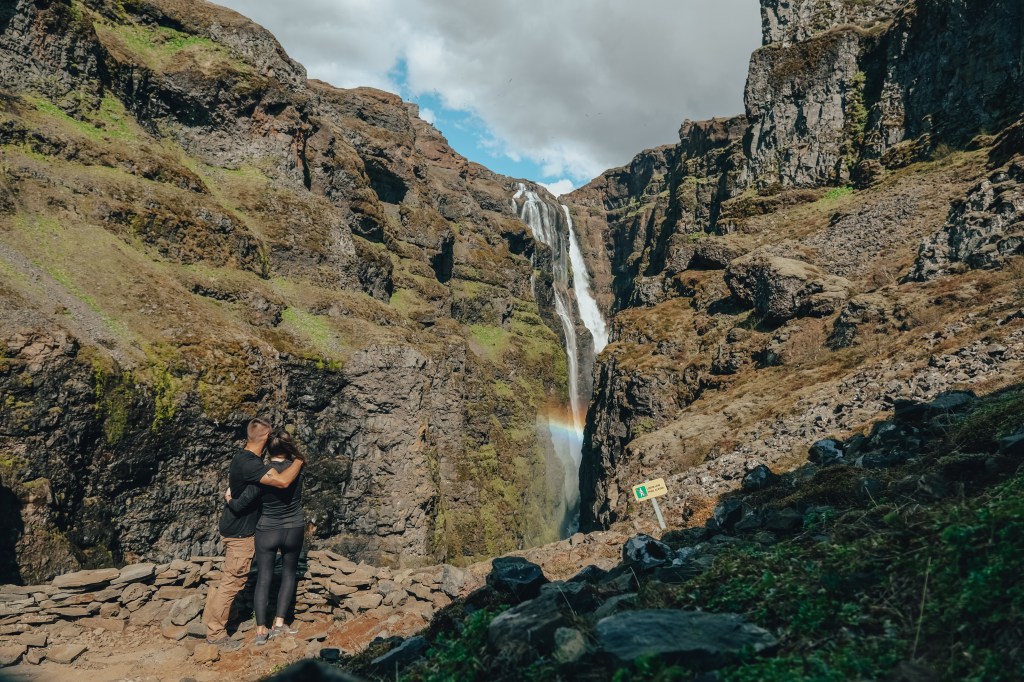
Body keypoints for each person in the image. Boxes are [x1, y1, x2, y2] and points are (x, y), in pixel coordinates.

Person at [202, 418, 304, 651]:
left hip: (251, 530)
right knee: (231, 582)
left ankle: (248, 625)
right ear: (266, 439)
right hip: (240, 533)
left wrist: (229, 498)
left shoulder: (246, 458)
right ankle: (216, 634)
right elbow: (282, 481)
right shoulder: (253, 466)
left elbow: (242, 498)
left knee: (242, 579)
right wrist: (299, 459)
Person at [250, 429, 307, 645]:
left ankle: (260, 630)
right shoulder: (297, 468)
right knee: (289, 574)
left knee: (264, 577)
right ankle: (280, 623)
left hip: (267, 529)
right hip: (293, 527)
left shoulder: (263, 472)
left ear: (268, 449)